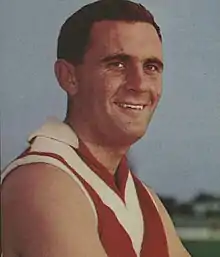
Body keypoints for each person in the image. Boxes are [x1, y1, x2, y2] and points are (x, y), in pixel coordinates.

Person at [1, 0, 191, 256]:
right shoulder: (42, 183)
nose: (139, 84)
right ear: (69, 77)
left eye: (151, 67)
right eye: (118, 64)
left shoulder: (143, 198)